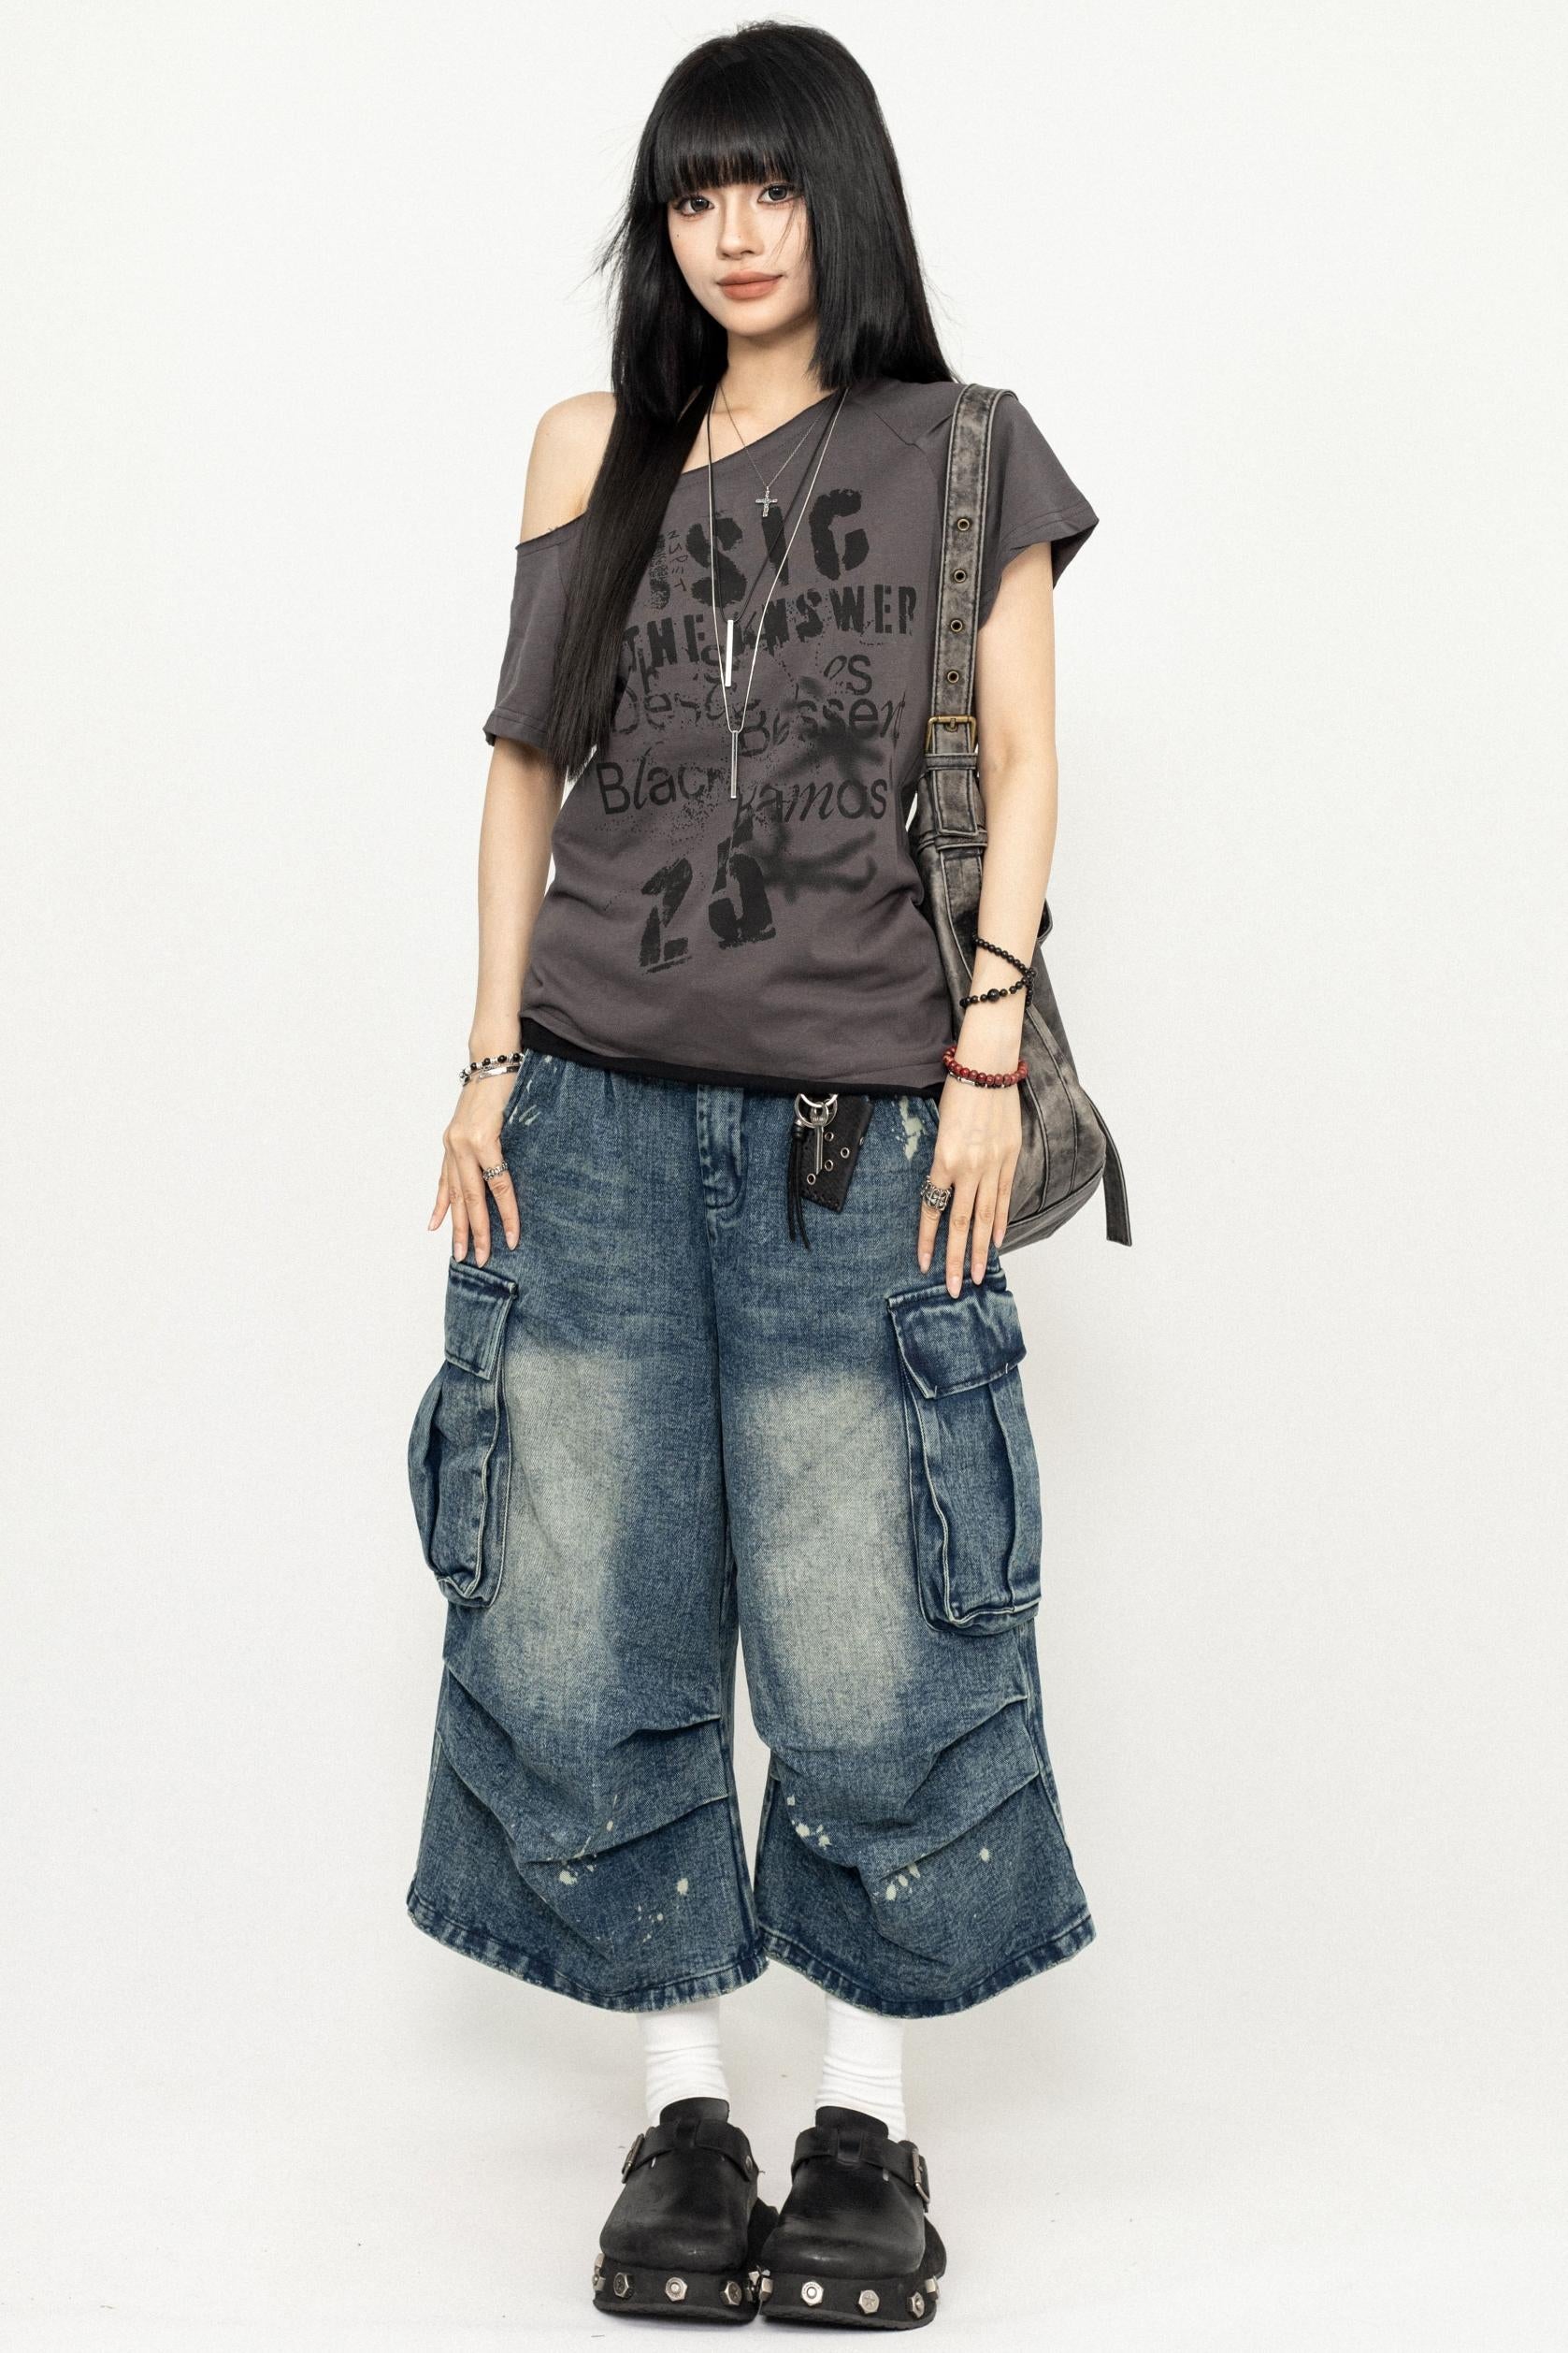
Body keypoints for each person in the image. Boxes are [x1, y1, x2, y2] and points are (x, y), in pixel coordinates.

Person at [404, 21, 1100, 2331]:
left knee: (870, 1625)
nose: (731, 229)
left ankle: (863, 2125)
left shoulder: (958, 448)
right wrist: (486, 1060)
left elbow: (1021, 757)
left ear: (839, 200)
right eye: (695, 191)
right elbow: (525, 771)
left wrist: (979, 1048)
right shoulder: (586, 447)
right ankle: (682, 2110)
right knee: (592, 1609)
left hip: (860, 1126)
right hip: (594, 1111)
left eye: (770, 185)